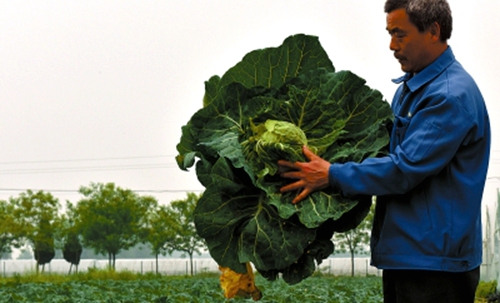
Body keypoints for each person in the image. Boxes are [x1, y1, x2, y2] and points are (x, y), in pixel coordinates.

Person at [278, 0, 491, 302]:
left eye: (400, 34)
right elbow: (382, 152)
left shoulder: (449, 96)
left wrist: (331, 174)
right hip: (411, 256)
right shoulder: (412, 88)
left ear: (433, 31)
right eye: (389, 33)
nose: (392, 45)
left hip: (434, 266)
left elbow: (403, 169)